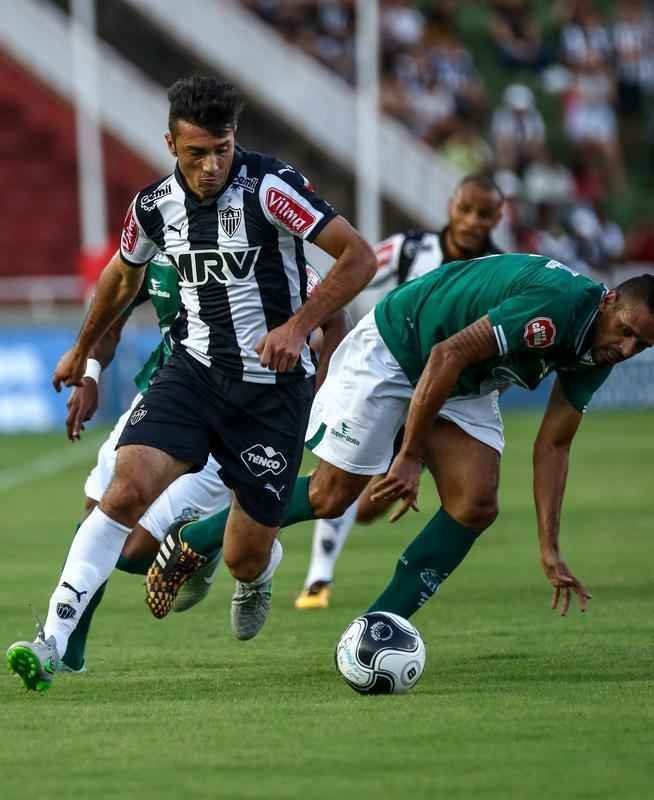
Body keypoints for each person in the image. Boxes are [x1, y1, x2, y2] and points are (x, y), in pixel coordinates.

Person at [7, 75, 375, 693]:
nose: (211, 166)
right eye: (196, 152)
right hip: (193, 373)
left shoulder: (271, 188)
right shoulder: (152, 206)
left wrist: (298, 327)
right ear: (170, 145)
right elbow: (120, 282)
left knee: (244, 553)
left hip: (271, 390)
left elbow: (357, 256)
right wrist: (81, 351)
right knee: (123, 492)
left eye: (222, 149)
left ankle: (257, 573)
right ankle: (54, 642)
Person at [146, 256, 654, 631]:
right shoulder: (558, 307)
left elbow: (554, 446)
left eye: (642, 346)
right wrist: (408, 456)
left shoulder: (598, 350)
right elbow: (445, 353)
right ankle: (195, 537)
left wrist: (549, 548)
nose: (626, 349)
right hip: (400, 348)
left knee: (475, 502)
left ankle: (377, 630)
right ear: (609, 300)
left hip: (460, 380)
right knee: (331, 495)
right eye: (627, 331)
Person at [297, 174, 505, 609]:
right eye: (465, 209)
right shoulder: (410, 250)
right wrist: (326, 332)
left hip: (438, 401)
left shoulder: (501, 270)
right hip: (384, 376)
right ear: (451, 206)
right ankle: (318, 578)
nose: (471, 222)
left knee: (371, 505)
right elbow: (352, 277)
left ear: (498, 218)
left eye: (483, 214)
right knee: (340, 479)